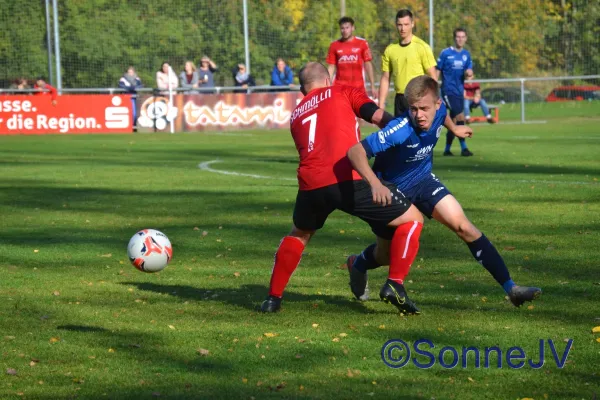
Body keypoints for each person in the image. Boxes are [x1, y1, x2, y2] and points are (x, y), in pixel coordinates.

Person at [346, 75, 542, 308]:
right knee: (384, 256)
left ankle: (511, 288)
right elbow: (356, 152)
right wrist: (374, 184)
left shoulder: (440, 111)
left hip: (423, 181)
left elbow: (443, 116)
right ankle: (358, 264)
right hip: (391, 192)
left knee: (464, 227)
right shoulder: (399, 129)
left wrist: (455, 128)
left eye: (424, 108)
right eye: (413, 109)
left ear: (437, 104)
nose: (419, 115)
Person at [260, 62, 425, 315]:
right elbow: (381, 118)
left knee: (299, 235)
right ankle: (395, 283)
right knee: (413, 219)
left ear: (303, 91)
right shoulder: (343, 91)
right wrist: (408, 137)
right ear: (329, 79)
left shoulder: (296, 115)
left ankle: (273, 299)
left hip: (311, 184)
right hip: (349, 178)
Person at [379, 9, 437, 117]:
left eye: (406, 24)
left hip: (418, 98)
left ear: (412, 24)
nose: (402, 28)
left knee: (418, 133)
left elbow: (432, 76)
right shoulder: (390, 49)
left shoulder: (422, 47)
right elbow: (385, 78)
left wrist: (433, 99)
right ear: (396, 25)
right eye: (399, 25)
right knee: (400, 134)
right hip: (399, 100)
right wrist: (381, 103)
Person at [437, 28, 474, 156]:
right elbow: (437, 71)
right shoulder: (446, 53)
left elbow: (469, 71)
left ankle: (447, 149)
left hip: (459, 92)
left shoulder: (466, 55)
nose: (460, 39)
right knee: (460, 117)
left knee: (453, 121)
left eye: (463, 37)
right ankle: (464, 148)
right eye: (458, 37)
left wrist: (469, 73)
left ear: (466, 38)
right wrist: (432, 87)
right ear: (454, 38)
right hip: (448, 90)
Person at [326, 16, 377, 99]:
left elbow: (368, 64)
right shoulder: (334, 45)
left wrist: (372, 85)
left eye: (347, 28)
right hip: (339, 87)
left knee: (357, 112)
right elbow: (331, 67)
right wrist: (327, 85)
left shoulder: (362, 43)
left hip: (358, 88)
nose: (345, 31)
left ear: (352, 28)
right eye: (342, 28)